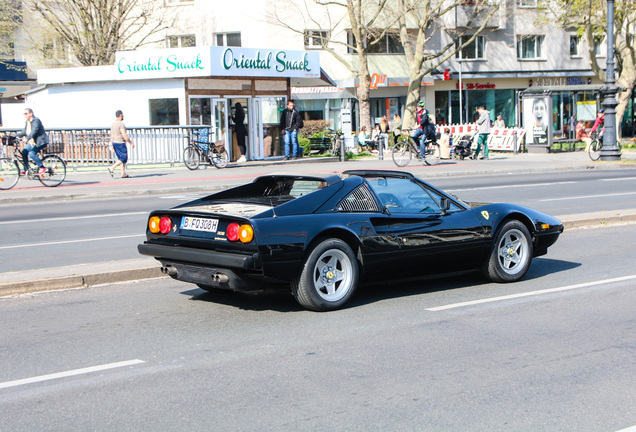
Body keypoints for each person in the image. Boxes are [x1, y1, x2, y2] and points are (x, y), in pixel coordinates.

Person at [16, 108, 49, 176]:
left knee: (31, 153)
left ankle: (42, 167)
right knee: (24, 152)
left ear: (31, 114)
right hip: (32, 142)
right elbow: (24, 132)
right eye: (24, 114)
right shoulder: (27, 122)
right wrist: (14, 136)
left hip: (40, 141)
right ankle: (26, 169)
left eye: (26, 113)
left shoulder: (36, 120)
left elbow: (34, 131)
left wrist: (27, 138)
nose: (25, 115)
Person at [108, 110, 135, 178]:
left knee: (120, 158)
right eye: (122, 115)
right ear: (120, 115)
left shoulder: (113, 124)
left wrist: (111, 144)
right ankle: (112, 168)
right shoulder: (121, 124)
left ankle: (123, 173)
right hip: (120, 142)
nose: (123, 116)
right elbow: (124, 135)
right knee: (124, 157)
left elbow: (112, 135)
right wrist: (131, 143)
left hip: (115, 142)